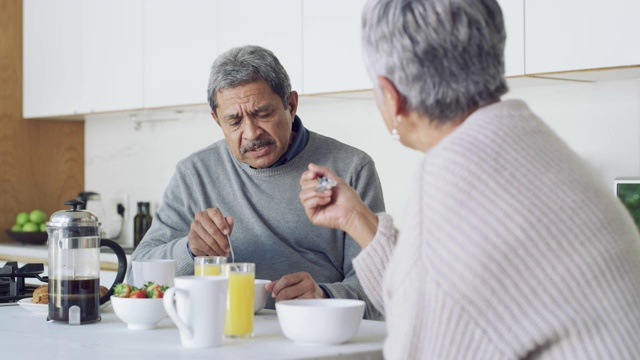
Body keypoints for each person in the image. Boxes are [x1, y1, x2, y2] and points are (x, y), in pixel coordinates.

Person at [299, 0, 640, 358]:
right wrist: (355, 217)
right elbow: (430, 298)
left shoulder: (452, 180)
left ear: (391, 96)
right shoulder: (529, 141)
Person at [131, 45, 384, 319]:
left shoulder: (350, 169)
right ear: (217, 121)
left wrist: (325, 297)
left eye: (263, 114)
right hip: (224, 337)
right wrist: (190, 250)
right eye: (234, 121)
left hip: (315, 333)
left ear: (291, 105)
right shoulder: (194, 174)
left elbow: (381, 288)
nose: (251, 133)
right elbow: (138, 274)